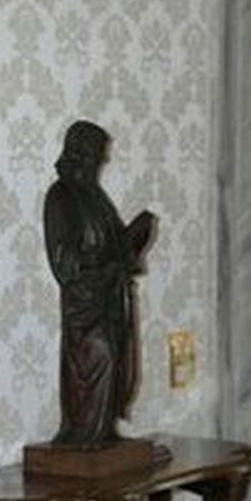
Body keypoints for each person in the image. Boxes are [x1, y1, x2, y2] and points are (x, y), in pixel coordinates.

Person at [43, 119, 157, 446]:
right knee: (99, 357)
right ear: (78, 155)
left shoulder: (96, 197)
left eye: (102, 158)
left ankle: (103, 432)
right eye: (96, 156)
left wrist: (133, 237)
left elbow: (114, 244)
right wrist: (105, 261)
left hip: (109, 298)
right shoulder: (61, 196)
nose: (99, 164)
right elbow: (64, 260)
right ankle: (82, 433)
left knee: (116, 361)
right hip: (86, 305)